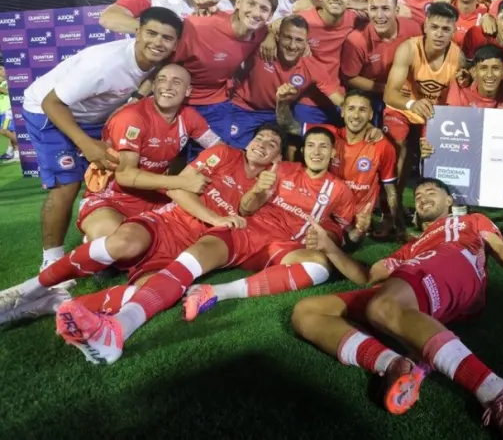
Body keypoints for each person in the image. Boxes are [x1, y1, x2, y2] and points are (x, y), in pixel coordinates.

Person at [56, 127, 359, 363]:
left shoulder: (341, 191)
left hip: (278, 244)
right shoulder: (277, 171)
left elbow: (342, 231)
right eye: (311, 145)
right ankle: (113, 323)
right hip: (239, 231)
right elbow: (245, 207)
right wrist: (256, 193)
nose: (317, 151)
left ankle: (215, 293)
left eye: (324, 146)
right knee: (180, 267)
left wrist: (334, 237)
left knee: (319, 267)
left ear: (334, 152)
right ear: (301, 151)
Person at [290, 178, 503, 439]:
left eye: (431, 191)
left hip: (456, 261)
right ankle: (394, 363)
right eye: (418, 195)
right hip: (416, 276)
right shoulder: (410, 248)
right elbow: (367, 276)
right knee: (307, 311)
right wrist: (328, 247)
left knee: (382, 306)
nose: (422, 197)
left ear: (449, 200)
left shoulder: (471, 221)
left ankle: (500, 391)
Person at [0, 125, 284, 325]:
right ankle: (27, 289)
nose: (263, 145)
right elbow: (177, 188)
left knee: (152, 293)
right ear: (248, 143)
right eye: (260, 138)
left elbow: (248, 213)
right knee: (124, 241)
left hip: (184, 251)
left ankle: (54, 304)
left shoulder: (268, 187)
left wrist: (260, 190)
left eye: (272, 144)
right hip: (167, 222)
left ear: (277, 159)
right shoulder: (223, 154)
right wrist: (215, 218)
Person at [20, 7, 183, 274]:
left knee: (110, 174)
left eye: (166, 38)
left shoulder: (162, 60)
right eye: (151, 33)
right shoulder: (105, 64)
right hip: (48, 110)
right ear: (137, 32)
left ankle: (99, 239)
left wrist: (134, 101)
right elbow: (53, 102)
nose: (158, 42)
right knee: (68, 184)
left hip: (93, 116)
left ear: (175, 42)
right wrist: (86, 144)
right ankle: (51, 260)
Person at [75, 64, 221, 242]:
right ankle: (96, 238)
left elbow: (219, 150)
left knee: (193, 234)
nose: (167, 87)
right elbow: (125, 176)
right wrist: (183, 182)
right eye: (162, 80)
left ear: (188, 91)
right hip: (113, 196)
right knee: (112, 237)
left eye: (176, 82)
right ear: (153, 86)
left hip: (155, 196)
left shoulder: (189, 116)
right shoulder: (132, 117)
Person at [382, 2, 464, 228]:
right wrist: (411, 103)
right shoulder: (409, 48)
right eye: (434, 27)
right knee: (399, 145)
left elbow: (457, 101)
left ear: (454, 30)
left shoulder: (458, 56)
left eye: (445, 29)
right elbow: (389, 94)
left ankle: (439, 214)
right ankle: (392, 207)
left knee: (439, 150)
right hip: (404, 106)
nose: (439, 34)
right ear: (425, 26)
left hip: (434, 113)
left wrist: (441, 132)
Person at [278, 89, 401, 241]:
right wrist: (282, 102)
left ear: (370, 115)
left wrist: (394, 223)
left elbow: (390, 189)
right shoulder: (329, 135)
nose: (356, 115)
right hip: (323, 211)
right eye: (351, 109)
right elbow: (288, 125)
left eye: (362, 110)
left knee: (335, 242)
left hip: (355, 220)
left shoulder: (382, 146)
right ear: (342, 112)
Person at [172, 0, 277, 149]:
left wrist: (270, 34)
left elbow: (278, 26)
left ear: (270, 16)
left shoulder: (261, 33)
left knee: (218, 155)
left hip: (216, 104)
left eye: (264, 9)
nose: (256, 12)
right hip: (180, 101)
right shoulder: (199, 25)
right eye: (251, 4)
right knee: (165, 152)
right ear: (238, 3)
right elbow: (165, 65)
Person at [264, 0, 359, 128]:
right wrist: (268, 36)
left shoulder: (355, 19)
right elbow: (274, 26)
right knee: (302, 147)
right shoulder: (303, 20)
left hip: (338, 97)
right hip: (306, 100)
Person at [229, 14, 339, 149]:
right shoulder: (261, 47)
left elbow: (339, 99)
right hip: (244, 109)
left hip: (276, 115)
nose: (292, 46)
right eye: (288, 38)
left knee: (272, 154)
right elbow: (241, 24)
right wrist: (268, 33)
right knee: (235, 152)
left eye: (299, 40)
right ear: (278, 36)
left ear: (306, 43)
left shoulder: (312, 67)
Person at [340, 0, 423, 104]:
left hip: (407, 91)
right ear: (367, 10)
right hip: (371, 96)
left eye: (385, 8)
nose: (379, 15)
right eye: (373, 8)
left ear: (396, 10)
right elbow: (350, 78)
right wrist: (387, 89)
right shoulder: (355, 41)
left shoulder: (413, 28)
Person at [0, 66, 18, 163]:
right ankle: (16, 154)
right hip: (2, 111)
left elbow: (10, 92)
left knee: (4, 130)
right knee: (11, 131)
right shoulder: (2, 83)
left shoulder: (9, 82)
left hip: (8, 110)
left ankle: (22, 146)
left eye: (0, 69)